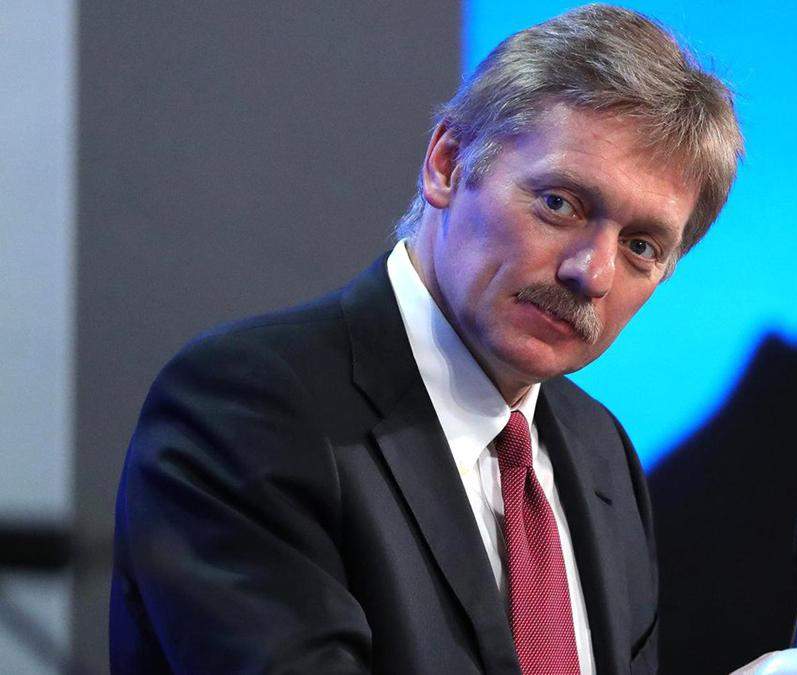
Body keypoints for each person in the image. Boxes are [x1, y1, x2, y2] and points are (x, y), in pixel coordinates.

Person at [109, 4, 742, 674]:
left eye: (641, 246)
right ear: (447, 164)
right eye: (560, 204)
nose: (592, 272)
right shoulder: (247, 410)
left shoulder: (603, 454)